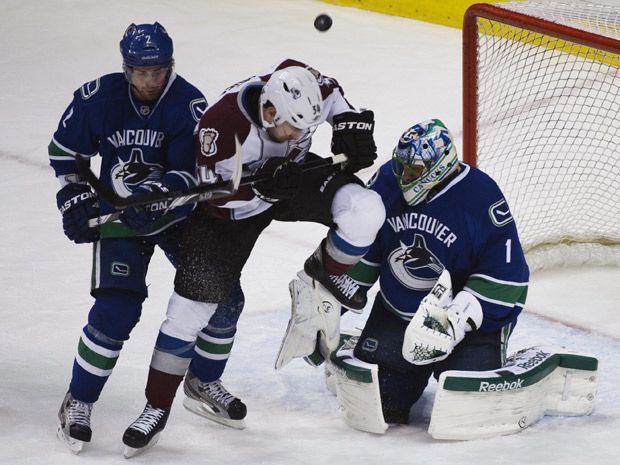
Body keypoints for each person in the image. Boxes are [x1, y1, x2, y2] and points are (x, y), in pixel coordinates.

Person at [121, 58, 387, 453]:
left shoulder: (294, 85)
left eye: (305, 128)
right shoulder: (221, 126)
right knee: (188, 313)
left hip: (287, 179)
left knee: (366, 210)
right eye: (293, 128)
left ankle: (322, 274)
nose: (299, 134)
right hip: (228, 213)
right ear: (269, 111)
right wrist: (264, 189)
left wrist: (348, 121)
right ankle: (156, 406)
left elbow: (328, 90)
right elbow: (217, 196)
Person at [49, 22, 219, 454]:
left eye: (157, 71)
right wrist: (73, 197)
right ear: (126, 69)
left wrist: (155, 196)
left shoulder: (188, 104)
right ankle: (79, 401)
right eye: (140, 72)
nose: (148, 80)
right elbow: (65, 154)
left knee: (218, 293)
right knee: (115, 310)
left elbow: (194, 172)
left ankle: (203, 382)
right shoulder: (98, 98)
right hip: (121, 221)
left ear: (169, 66)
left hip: (178, 218)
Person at [337, 118, 529, 425]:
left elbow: (509, 278)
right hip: (398, 312)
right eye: (400, 165)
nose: (401, 177)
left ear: (437, 168)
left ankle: (472, 355)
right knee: (382, 404)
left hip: (466, 328)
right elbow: (367, 248)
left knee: (467, 408)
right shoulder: (386, 180)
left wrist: (455, 321)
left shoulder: (481, 196)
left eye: (411, 171)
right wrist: (333, 301)